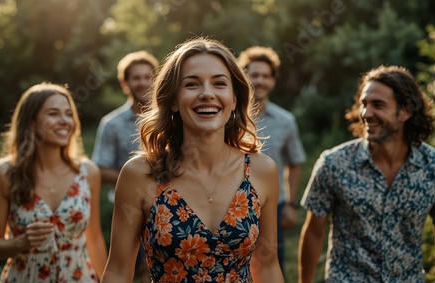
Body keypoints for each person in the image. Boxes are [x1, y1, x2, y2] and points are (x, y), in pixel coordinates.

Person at [102, 37, 285, 282]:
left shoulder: (262, 170)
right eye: (192, 84)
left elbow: (268, 268)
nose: (207, 94)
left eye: (219, 83)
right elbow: (118, 271)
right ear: (174, 101)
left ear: (234, 99)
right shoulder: (140, 174)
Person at [298, 65, 435, 282]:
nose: (365, 113)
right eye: (364, 104)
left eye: (378, 105)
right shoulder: (334, 164)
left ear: (405, 111)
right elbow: (313, 232)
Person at [0, 83, 107, 282]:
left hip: (79, 276)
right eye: (53, 113)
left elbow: (94, 238)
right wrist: (21, 242)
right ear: (31, 122)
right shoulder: (5, 175)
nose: (64, 121)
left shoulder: (87, 172)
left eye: (68, 114)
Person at [238, 46, 306, 273]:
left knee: (271, 265)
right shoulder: (227, 117)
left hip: (273, 207)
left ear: (273, 81)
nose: (260, 81)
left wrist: (290, 204)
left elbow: (295, 163)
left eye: (266, 76)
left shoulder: (286, 120)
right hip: (233, 204)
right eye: (254, 74)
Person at [92, 50, 159, 283]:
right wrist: (136, 178)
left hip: (167, 207)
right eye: (136, 77)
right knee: (127, 269)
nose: (142, 82)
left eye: (147, 76)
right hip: (127, 210)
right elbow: (100, 167)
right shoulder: (111, 123)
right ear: (125, 83)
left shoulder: (171, 120)